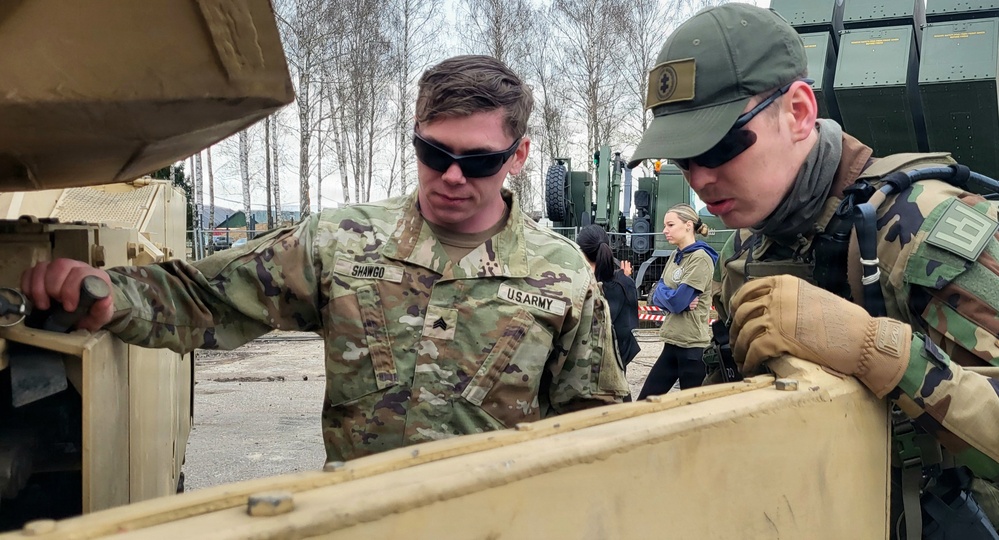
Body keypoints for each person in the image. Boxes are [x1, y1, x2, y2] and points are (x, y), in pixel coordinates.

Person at [20, 55, 629, 463]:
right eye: (431, 150)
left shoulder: (564, 274)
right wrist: (102, 290)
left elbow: (593, 424)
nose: (448, 175)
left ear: (518, 156)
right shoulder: (343, 242)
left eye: (477, 161)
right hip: (357, 520)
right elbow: (207, 297)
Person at [628, 3, 999, 536]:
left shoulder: (926, 232)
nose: (702, 178)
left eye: (719, 145)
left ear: (799, 112)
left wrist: (877, 349)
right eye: (685, 159)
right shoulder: (748, 251)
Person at [637, 204, 717, 399]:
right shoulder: (675, 255)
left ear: (688, 225)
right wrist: (669, 296)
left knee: (691, 412)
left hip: (692, 347)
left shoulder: (701, 258)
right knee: (644, 402)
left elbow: (677, 302)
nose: (665, 230)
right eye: (665, 225)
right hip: (672, 342)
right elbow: (655, 293)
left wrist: (670, 297)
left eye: (670, 225)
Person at [576, 224, 641, 368]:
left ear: (580, 250)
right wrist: (625, 279)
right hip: (616, 363)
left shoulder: (578, 284)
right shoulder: (624, 283)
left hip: (584, 365)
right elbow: (628, 326)